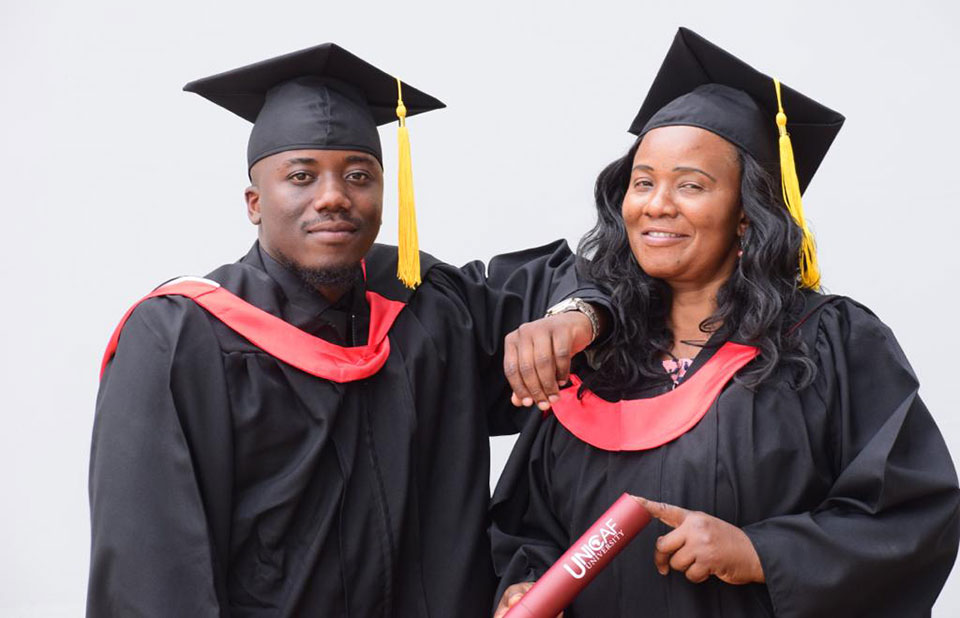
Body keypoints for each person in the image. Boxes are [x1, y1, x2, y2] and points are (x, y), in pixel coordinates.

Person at [87, 43, 611, 617]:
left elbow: (584, 283)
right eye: (301, 176)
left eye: (358, 175)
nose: (334, 196)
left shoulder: (429, 307)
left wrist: (577, 316)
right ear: (254, 203)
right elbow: (151, 576)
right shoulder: (181, 339)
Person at [492, 28, 959, 617]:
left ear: (746, 214)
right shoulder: (594, 357)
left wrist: (760, 552)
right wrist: (526, 583)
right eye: (643, 182)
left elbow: (908, 515)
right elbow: (529, 524)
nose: (656, 204)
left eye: (691, 185)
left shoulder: (827, 343)